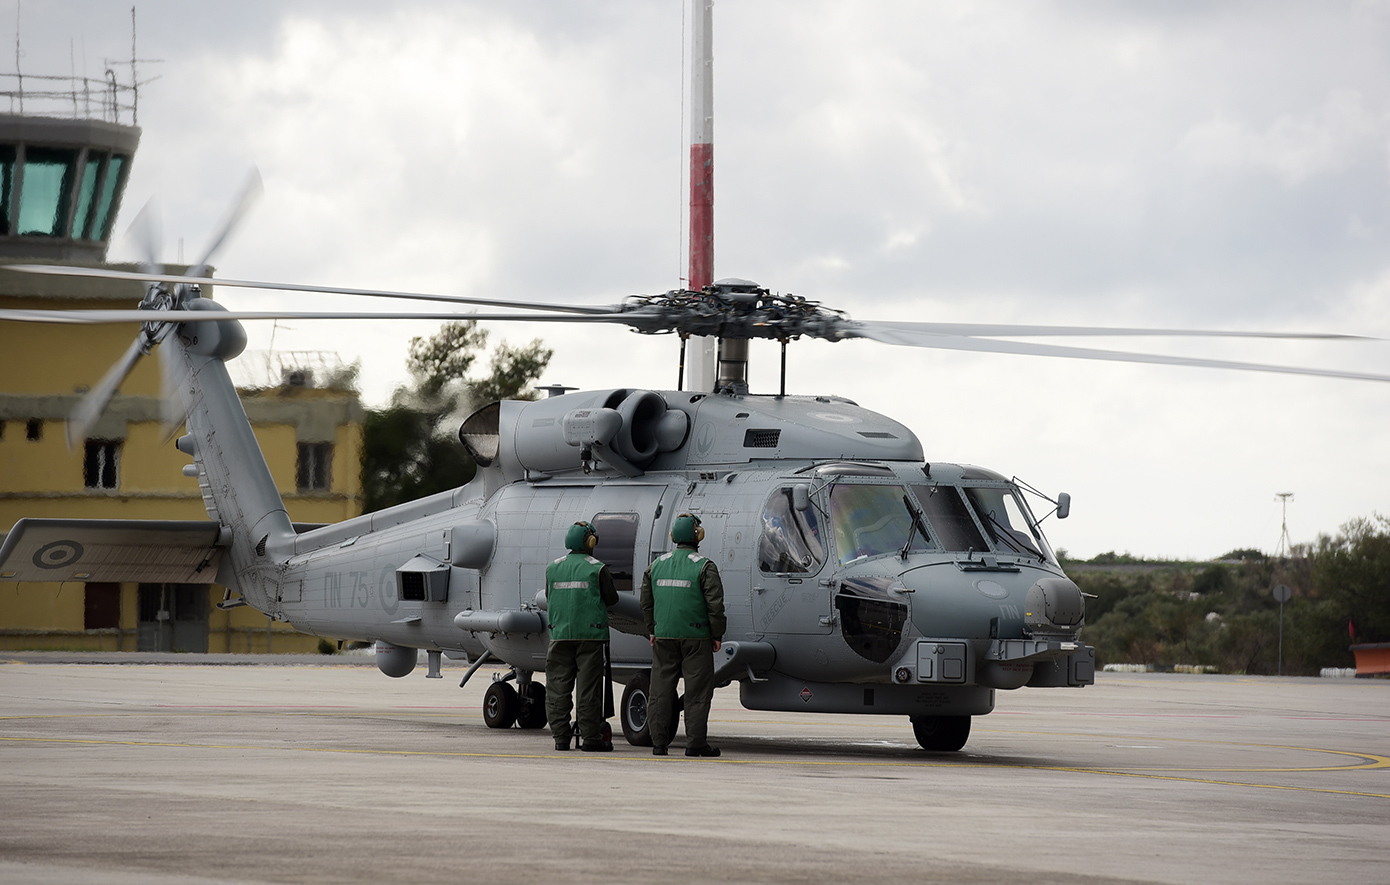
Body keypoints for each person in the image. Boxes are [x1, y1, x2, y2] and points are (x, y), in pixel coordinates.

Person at [639, 513, 727, 757]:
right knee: (697, 692)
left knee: (659, 691)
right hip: (696, 637)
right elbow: (715, 604)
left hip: (664, 636)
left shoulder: (656, 565)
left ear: (673, 537)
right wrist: (716, 633)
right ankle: (695, 744)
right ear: (697, 535)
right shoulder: (704, 565)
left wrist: (652, 629)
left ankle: (659, 744)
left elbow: (646, 601)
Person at [545, 520, 619, 752]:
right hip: (590, 636)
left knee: (557, 688)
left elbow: (549, 596)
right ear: (590, 541)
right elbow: (612, 599)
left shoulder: (552, 568)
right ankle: (591, 739)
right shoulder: (597, 568)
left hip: (559, 635)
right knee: (588, 689)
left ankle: (561, 739)